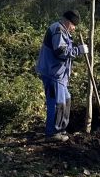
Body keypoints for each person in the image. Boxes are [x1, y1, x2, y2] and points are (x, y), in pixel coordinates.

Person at [35, 9, 88, 142]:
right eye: (74, 25)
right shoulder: (58, 30)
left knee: (66, 100)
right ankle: (52, 133)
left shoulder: (63, 31)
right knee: (56, 103)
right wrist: (78, 50)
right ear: (69, 22)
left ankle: (61, 129)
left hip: (60, 75)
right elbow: (60, 51)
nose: (74, 28)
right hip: (52, 74)